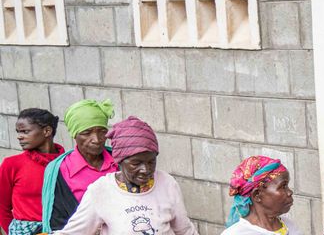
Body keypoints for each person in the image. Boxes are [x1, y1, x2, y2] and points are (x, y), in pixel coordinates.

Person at [56, 116, 197, 235]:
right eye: (136, 163)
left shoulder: (166, 183)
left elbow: (184, 230)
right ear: (120, 161)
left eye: (151, 161)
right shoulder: (100, 191)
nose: (145, 169)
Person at [42, 99, 119, 233]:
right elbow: (57, 220)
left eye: (102, 131)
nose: (96, 139)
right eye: (86, 133)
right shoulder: (60, 169)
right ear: (74, 134)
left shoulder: (121, 162)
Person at [0, 108, 64, 235]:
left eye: (25, 131)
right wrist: (13, 231)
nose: (19, 136)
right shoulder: (12, 164)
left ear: (47, 131)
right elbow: (1, 206)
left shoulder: (67, 163)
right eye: (18, 132)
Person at [223, 155, 299, 235]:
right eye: (283, 186)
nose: (290, 192)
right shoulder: (237, 233)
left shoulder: (289, 225)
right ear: (257, 195)